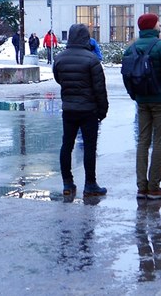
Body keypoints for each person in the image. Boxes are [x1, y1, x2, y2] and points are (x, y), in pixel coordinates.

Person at [125, 13, 161, 199]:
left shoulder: (130, 49)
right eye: (157, 22)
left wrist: (135, 96)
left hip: (142, 101)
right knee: (159, 142)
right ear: (152, 26)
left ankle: (142, 187)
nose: (159, 24)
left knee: (142, 141)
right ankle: (154, 187)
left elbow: (127, 76)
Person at [53, 23, 108, 198]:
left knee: (66, 145)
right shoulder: (92, 60)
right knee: (89, 147)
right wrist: (102, 110)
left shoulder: (60, 58)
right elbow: (100, 89)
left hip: (69, 109)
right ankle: (90, 184)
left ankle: (67, 183)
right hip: (88, 110)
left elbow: (58, 79)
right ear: (86, 38)